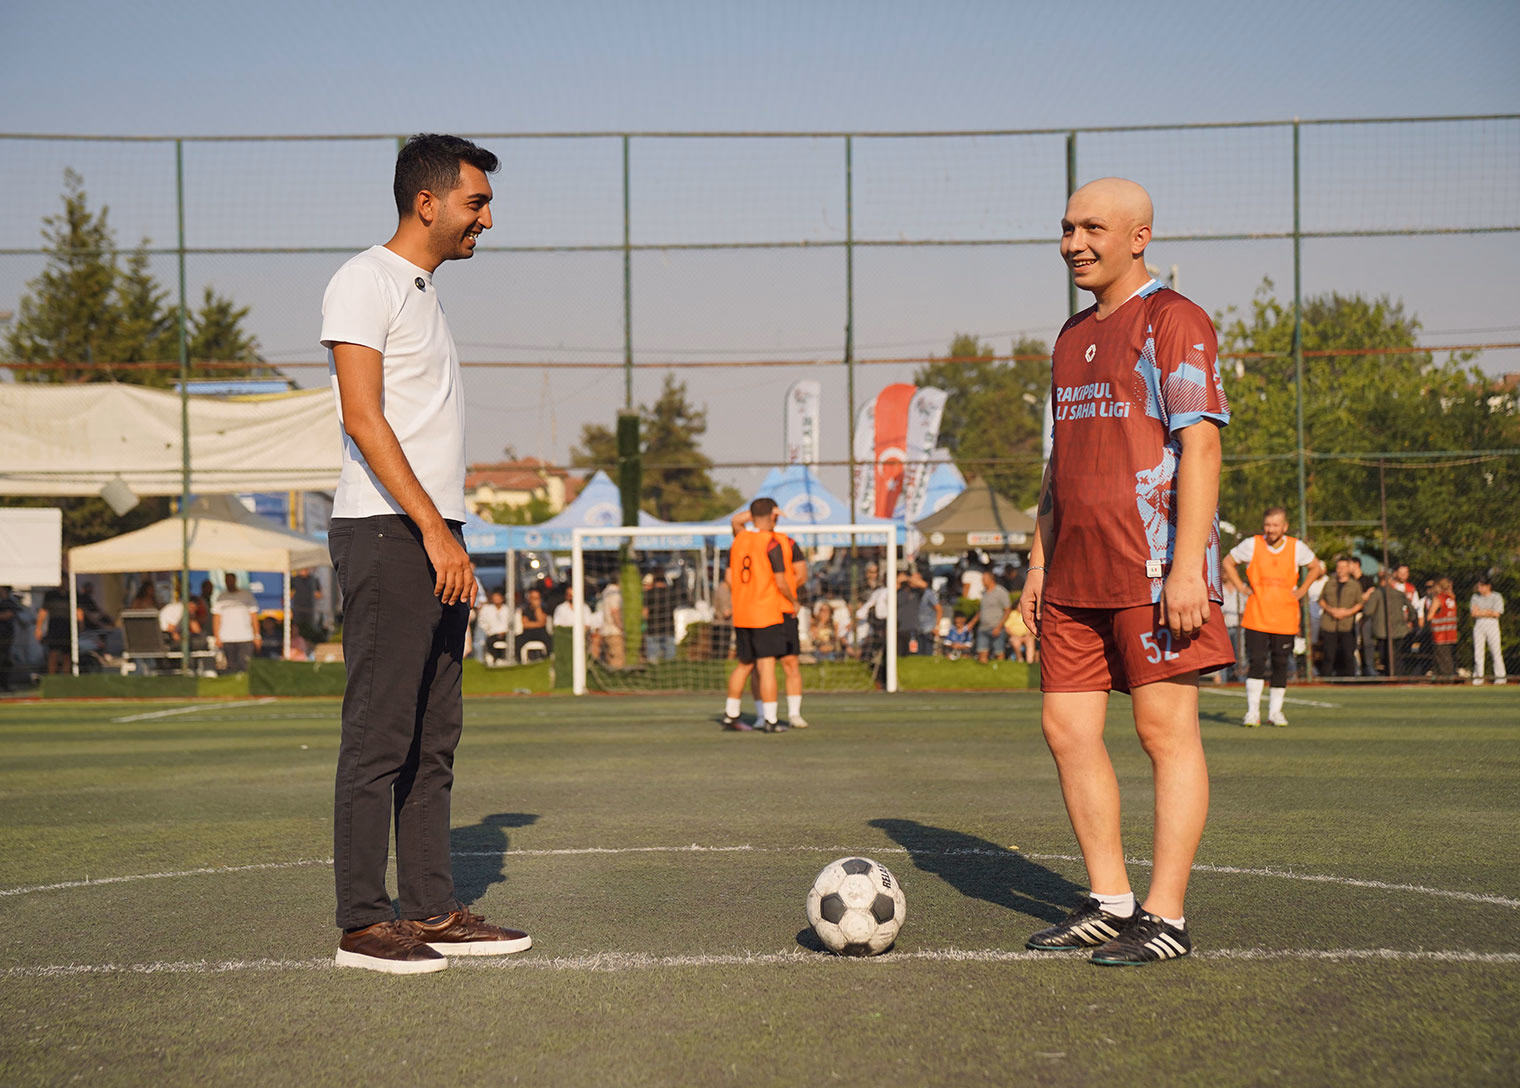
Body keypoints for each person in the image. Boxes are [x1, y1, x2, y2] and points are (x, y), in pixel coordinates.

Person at [321, 133, 529, 973]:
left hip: (437, 533)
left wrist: (450, 531)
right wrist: (434, 531)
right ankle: (366, 924)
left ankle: (434, 909)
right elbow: (363, 419)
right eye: (477, 202)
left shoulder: (423, 292)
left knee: (434, 735)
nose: (488, 216)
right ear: (428, 203)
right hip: (387, 531)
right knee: (379, 735)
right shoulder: (363, 280)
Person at [1019, 178, 1235, 966]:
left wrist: (1188, 568)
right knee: (1066, 729)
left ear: (1139, 236)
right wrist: (1038, 560)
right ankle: (1110, 901)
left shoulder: (1173, 320)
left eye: (1093, 227)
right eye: (1067, 226)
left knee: (1162, 734)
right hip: (1073, 573)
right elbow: (1059, 462)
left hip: (1153, 569)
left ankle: (1166, 917)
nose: (1075, 241)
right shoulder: (1070, 335)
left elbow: (1202, 447)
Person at [1223, 507, 1324, 726]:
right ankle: (1252, 712)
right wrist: (1241, 586)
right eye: (1267, 524)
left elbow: (1316, 567)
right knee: (1257, 662)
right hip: (1257, 615)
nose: (1270, 529)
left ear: (1284, 527)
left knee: (1281, 663)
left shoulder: (1297, 547)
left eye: (1275, 525)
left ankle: (1275, 712)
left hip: (1285, 616)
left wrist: (1303, 589)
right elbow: (1227, 562)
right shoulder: (1252, 544)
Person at [720, 497, 796, 732]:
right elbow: (781, 582)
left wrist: (760, 512)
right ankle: (771, 720)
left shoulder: (740, 538)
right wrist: (793, 601)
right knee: (766, 667)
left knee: (744, 665)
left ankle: (731, 714)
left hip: (742, 612)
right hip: (764, 612)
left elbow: (736, 520)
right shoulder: (771, 543)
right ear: (773, 516)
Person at [732, 510, 808, 728]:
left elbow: (800, 575)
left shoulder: (786, 542)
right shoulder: (752, 541)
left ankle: (793, 714)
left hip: (783, 609)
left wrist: (786, 596)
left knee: (790, 661)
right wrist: (763, 510)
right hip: (763, 611)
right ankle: (764, 716)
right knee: (760, 666)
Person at [1317, 556, 1364, 678]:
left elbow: (1360, 603)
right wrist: (1330, 610)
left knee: (1348, 654)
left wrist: (1347, 612)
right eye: (1338, 567)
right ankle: (1326, 679)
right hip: (1329, 624)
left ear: (1348, 568)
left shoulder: (1355, 585)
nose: (1340, 570)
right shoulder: (1329, 583)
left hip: (1347, 625)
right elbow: (1321, 600)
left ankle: (1349, 679)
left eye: (1343, 567)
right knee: (1328, 654)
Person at [1361, 569, 1414, 676]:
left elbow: (1368, 611)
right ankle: (1398, 675)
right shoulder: (1399, 594)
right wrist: (1408, 621)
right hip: (1399, 629)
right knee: (1397, 655)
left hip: (1382, 632)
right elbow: (1412, 611)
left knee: (1386, 656)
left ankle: (1390, 676)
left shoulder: (1376, 594)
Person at [212, 573, 262, 673]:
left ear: (235, 580)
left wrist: (257, 635)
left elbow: (254, 616)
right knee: (231, 666)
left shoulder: (247, 595)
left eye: (230, 580)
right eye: (227, 580)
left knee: (245, 665)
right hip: (227, 637)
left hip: (246, 637)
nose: (229, 583)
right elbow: (216, 617)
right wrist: (217, 636)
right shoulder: (221, 597)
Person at [1470, 575, 1507, 685]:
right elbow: (1474, 613)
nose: (1479, 589)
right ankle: (1478, 678)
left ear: (1488, 586)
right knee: (1478, 652)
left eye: (1482, 586)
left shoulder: (1497, 596)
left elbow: (1497, 613)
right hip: (1479, 624)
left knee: (1496, 651)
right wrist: (1488, 612)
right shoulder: (1475, 597)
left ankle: (1500, 677)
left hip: (1492, 624)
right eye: (1479, 586)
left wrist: (1481, 612)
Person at [1426, 577, 1459, 681]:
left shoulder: (1438, 599)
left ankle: (1444, 678)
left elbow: (1429, 616)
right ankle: (1446, 677)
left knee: (1442, 658)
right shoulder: (1452, 598)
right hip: (1451, 633)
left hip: (1440, 634)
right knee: (1449, 657)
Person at [975, 570, 1011, 663]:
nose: (982, 581)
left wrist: (999, 627)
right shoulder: (983, 593)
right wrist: (971, 624)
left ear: (991, 579)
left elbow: (1007, 610)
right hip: (983, 628)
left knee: (999, 653)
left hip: (996, 627)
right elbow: (981, 611)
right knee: (982, 653)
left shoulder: (1000, 591)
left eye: (984, 579)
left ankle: (1000, 672)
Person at [642, 571, 677, 663]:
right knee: (669, 662)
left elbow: (645, 613)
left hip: (653, 630)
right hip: (669, 629)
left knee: (653, 662)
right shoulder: (672, 593)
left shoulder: (648, 593)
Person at [475, 589, 512, 665]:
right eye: (495, 598)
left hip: (506, 633)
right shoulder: (487, 609)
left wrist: (506, 631)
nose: (497, 599)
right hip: (492, 633)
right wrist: (488, 631)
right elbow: (482, 622)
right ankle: (497, 658)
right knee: (490, 642)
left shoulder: (507, 609)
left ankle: (507, 658)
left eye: (498, 597)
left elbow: (511, 623)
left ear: (502, 598)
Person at [516, 587, 551, 660]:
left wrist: (537, 608)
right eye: (533, 598)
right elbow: (525, 624)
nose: (535, 600)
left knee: (549, 640)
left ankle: (547, 659)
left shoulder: (544, 608)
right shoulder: (525, 609)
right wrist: (537, 624)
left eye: (537, 598)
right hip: (528, 633)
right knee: (517, 641)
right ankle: (519, 660)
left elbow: (542, 621)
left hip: (541, 632)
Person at [598, 580, 626, 668]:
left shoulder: (606, 591)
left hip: (606, 631)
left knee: (609, 660)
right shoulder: (615, 593)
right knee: (618, 662)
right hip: (614, 632)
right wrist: (621, 627)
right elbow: (614, 611)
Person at [710, 569, 734, 659]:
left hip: (723, 626)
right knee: (720, 655)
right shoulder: (723, 591)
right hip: (722, 626)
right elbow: (726, 613)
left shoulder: (727, 590)